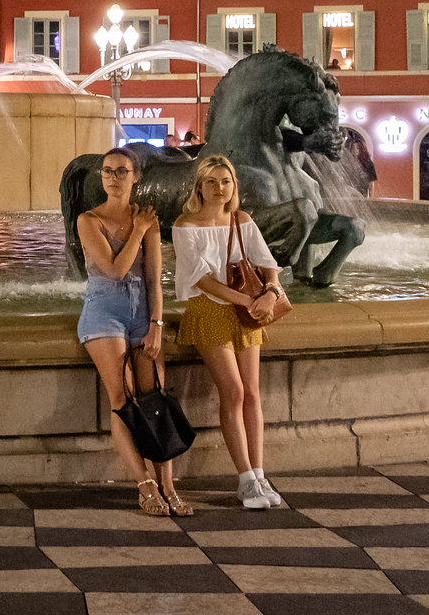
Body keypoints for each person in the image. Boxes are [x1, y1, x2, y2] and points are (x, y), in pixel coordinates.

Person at [75, 146, 190, 518]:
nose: (113, 178)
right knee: (122, 399)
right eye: (107, 171)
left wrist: (157, 324)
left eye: (122, 171)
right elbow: (114, 270)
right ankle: (145, 485)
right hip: (103, 312)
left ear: (135, 177)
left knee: (154, 397)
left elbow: (156, 280)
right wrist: (139, 230)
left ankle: (169, 485)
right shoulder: (88, 220)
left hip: (143, 313)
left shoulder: (149, 222)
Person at [173, 155, 288, 512]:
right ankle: (244, 480)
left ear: (233, 186)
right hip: (209, 310)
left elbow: (268, 263)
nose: (219, 188)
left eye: (226, 181)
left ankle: (259, 473)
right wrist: (247, 300)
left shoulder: (242, 220)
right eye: (212, 182)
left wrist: (269, 293)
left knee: (252, 392)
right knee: (234, 391)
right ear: (199, 186)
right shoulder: (185, 224)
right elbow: (201, 279)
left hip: (247, 310)